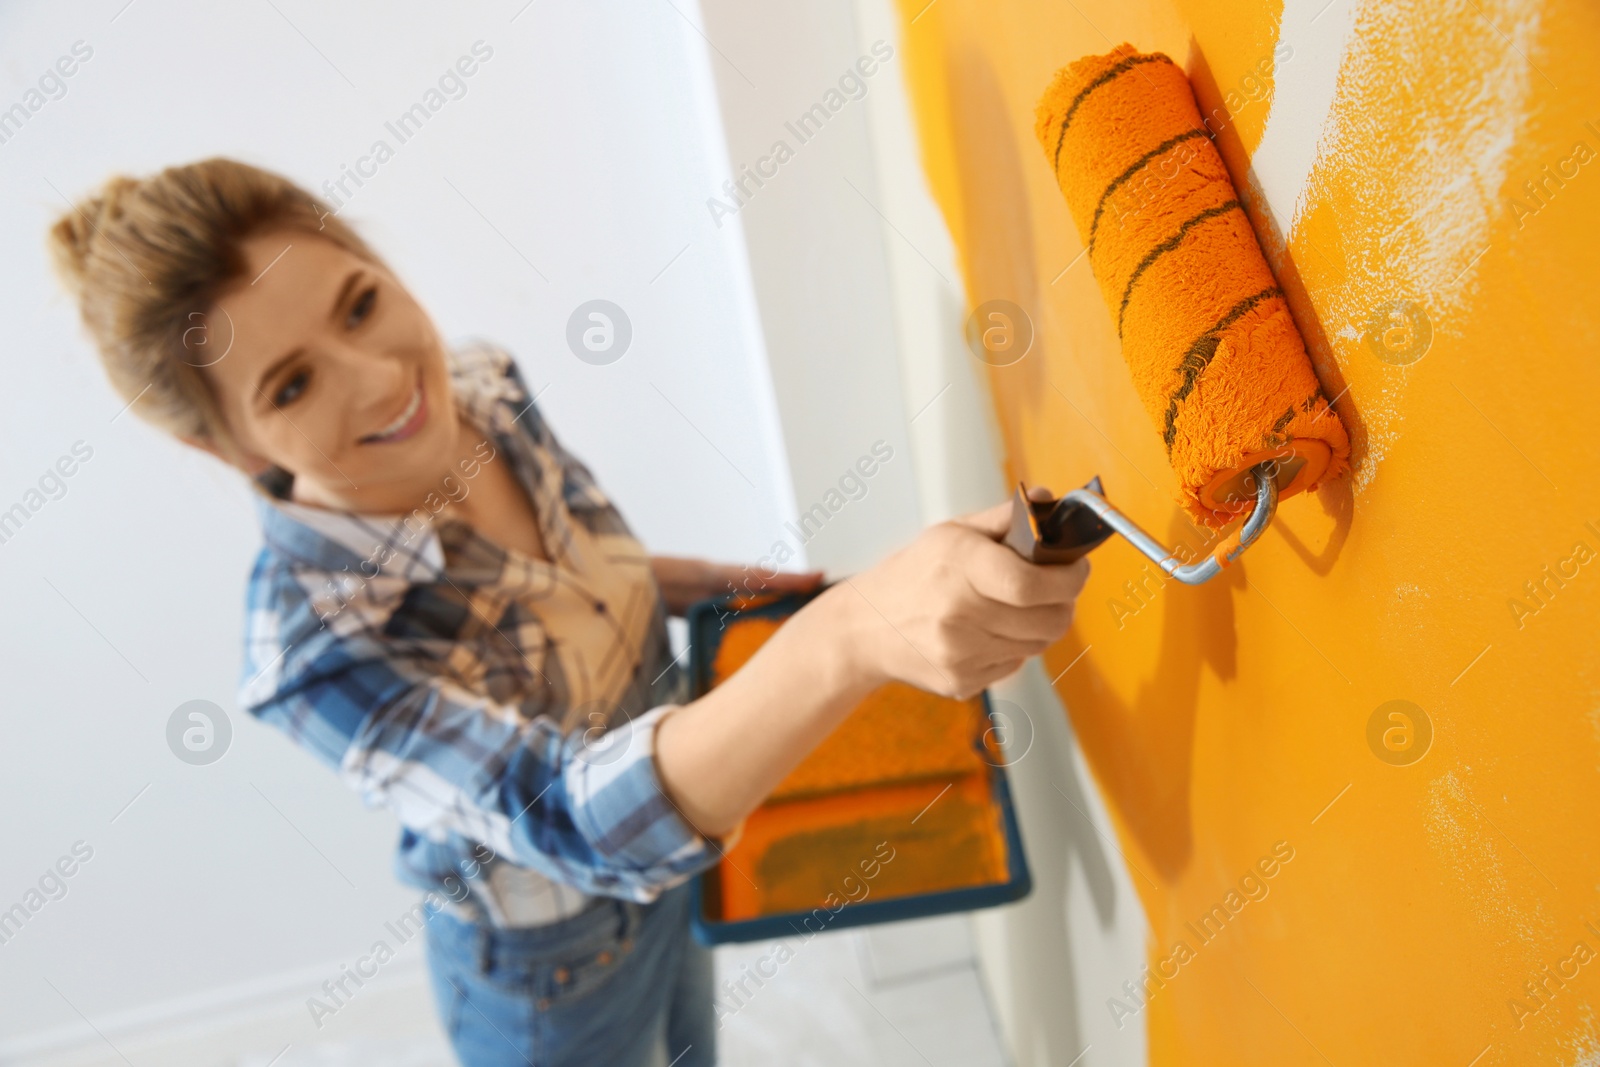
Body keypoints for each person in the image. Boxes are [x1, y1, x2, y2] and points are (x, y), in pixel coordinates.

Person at [46, 157, 1089, 1067]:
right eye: (290, 384)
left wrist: (751, 592)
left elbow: (587, 568)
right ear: (226, 450)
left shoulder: (483, 386)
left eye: (359, 302)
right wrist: (845, 637)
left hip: (682, 843)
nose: (381, 383)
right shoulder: (311, 652)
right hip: (550, 966)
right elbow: (573, 821)